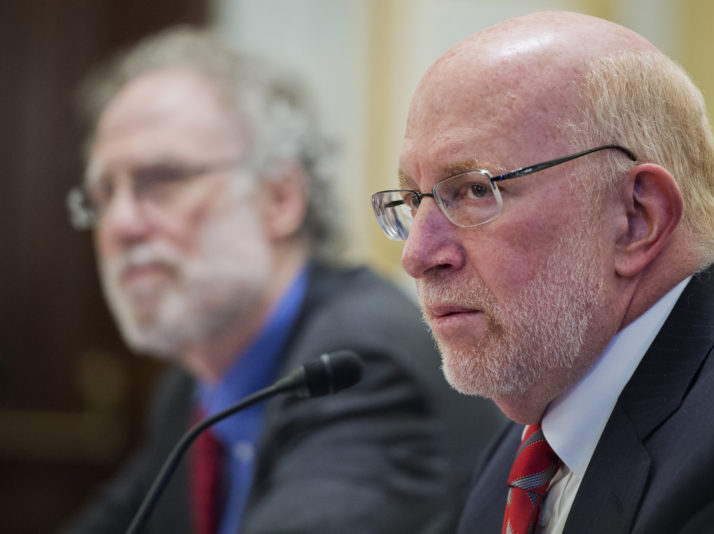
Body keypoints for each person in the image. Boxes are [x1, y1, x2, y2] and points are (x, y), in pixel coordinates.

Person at [371, 10, 714, 534]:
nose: (417, 256)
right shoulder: (526, 448)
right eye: (415, 201)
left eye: (475, 190)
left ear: (636, 219)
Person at [60, 26, 504, 534]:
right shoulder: (192, 390)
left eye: (161, 181)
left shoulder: (362, 367)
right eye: (103, 194)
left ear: (279, 200)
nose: (120, 224)